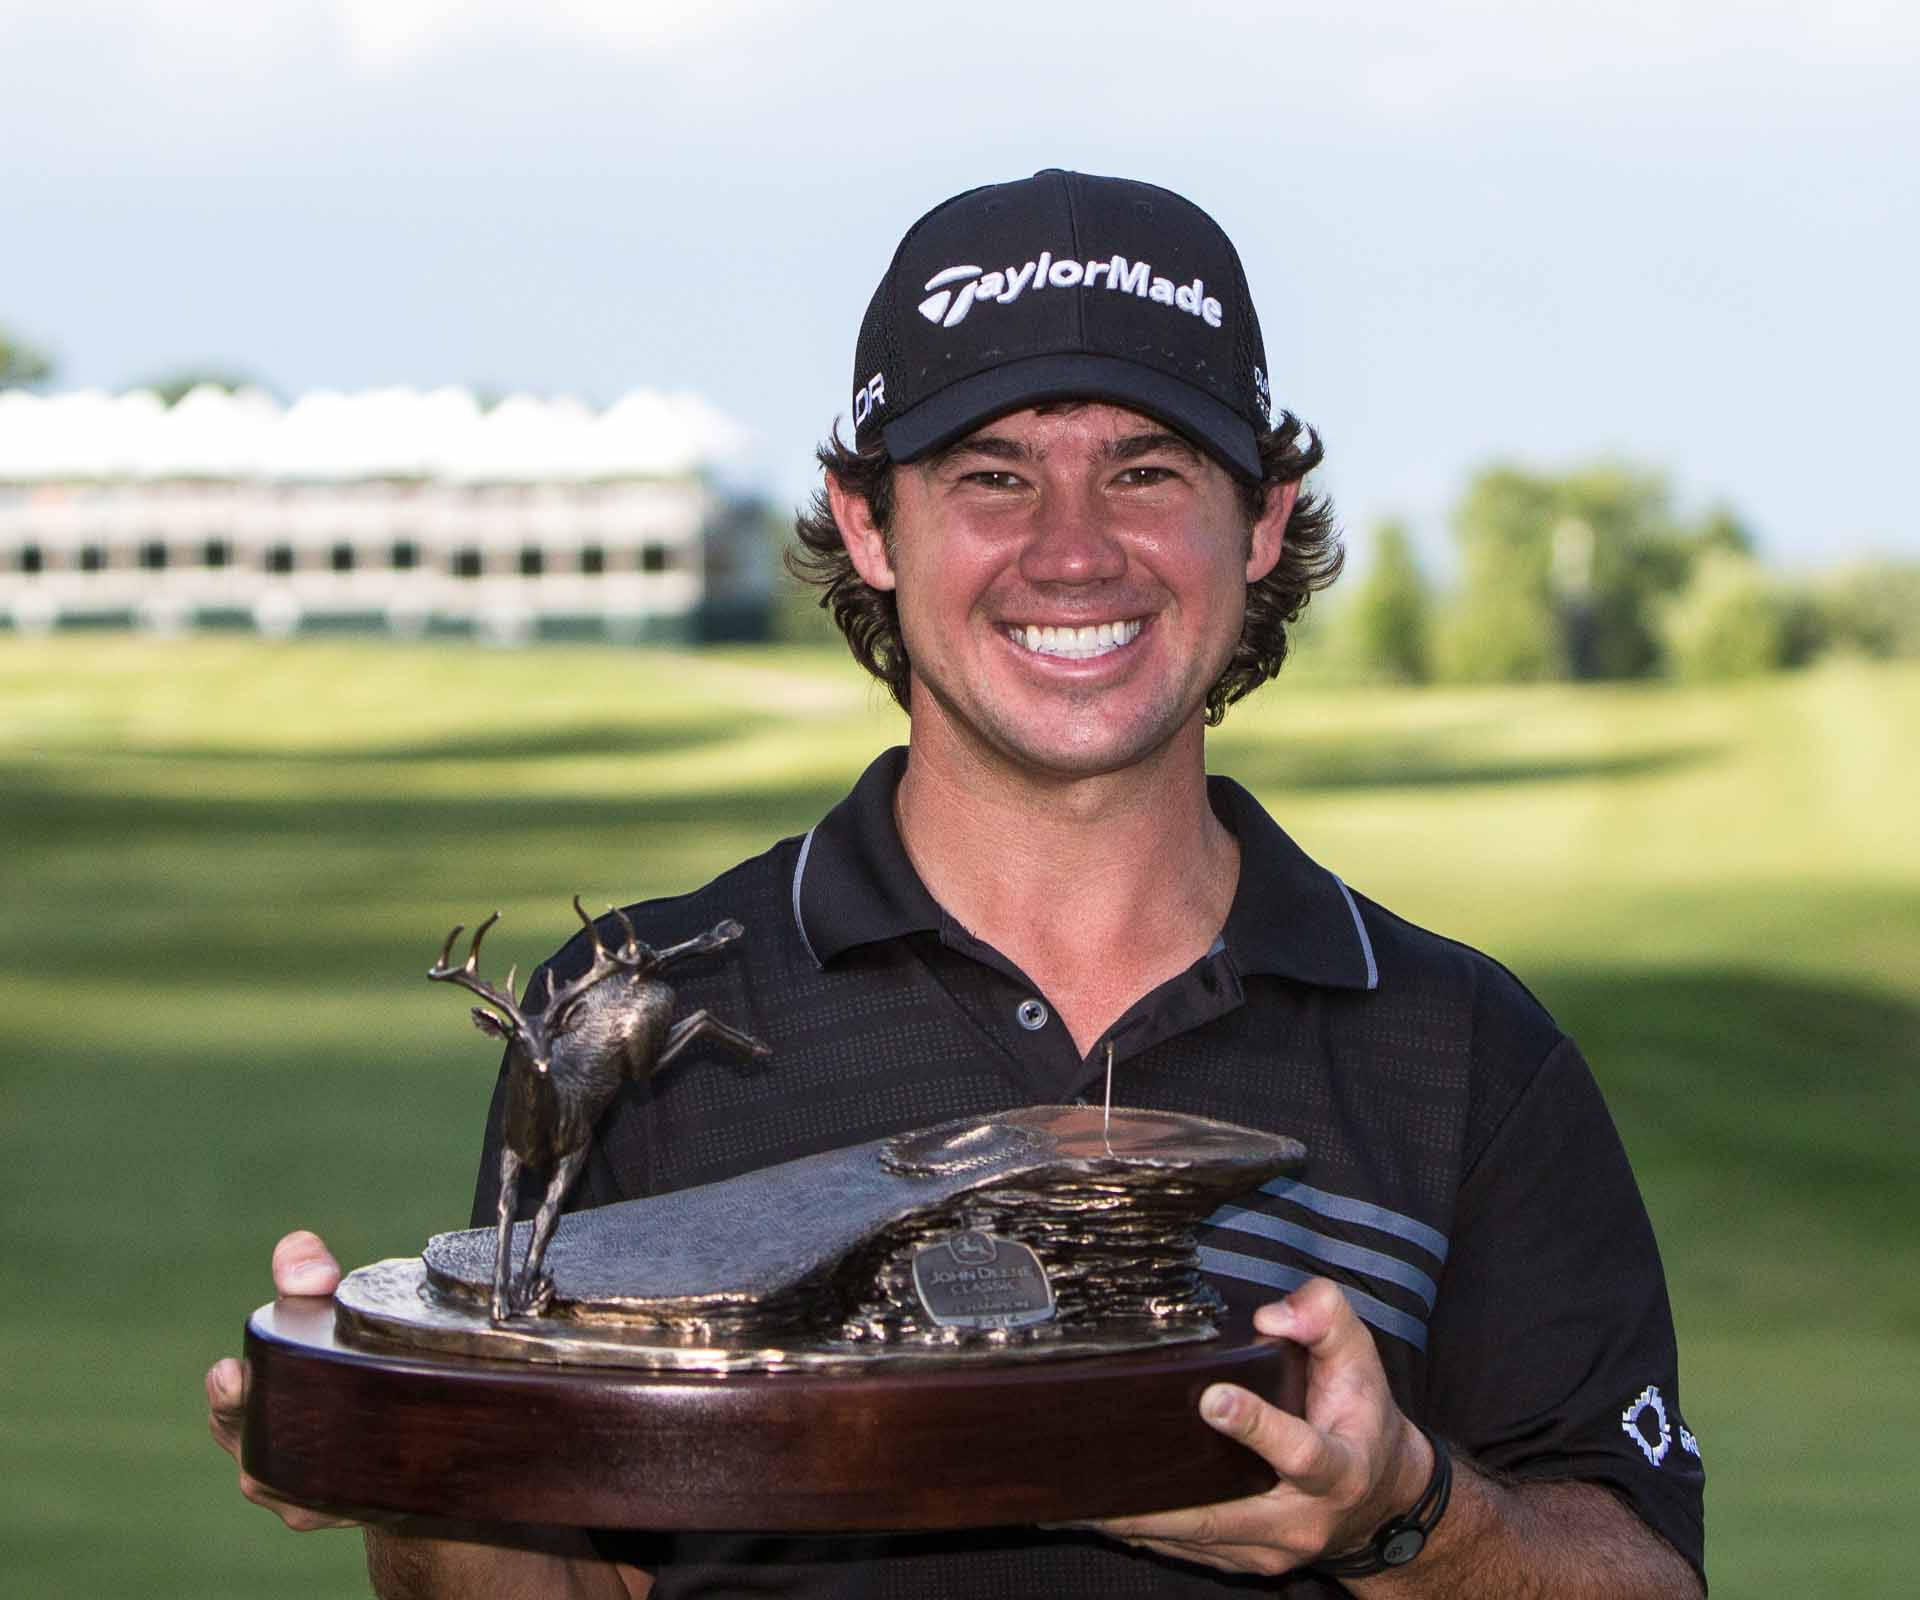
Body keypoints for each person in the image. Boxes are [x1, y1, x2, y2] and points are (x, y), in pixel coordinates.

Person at [208, 169, 1707, 1597]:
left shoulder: (1463, 1050)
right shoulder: (647, 1007)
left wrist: (1402, 1518)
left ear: (1258, 522)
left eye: (1145, 469)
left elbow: (1637, 1570)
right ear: (870, 523)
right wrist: (412, 1468)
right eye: (994, 474)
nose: (1073, 551)